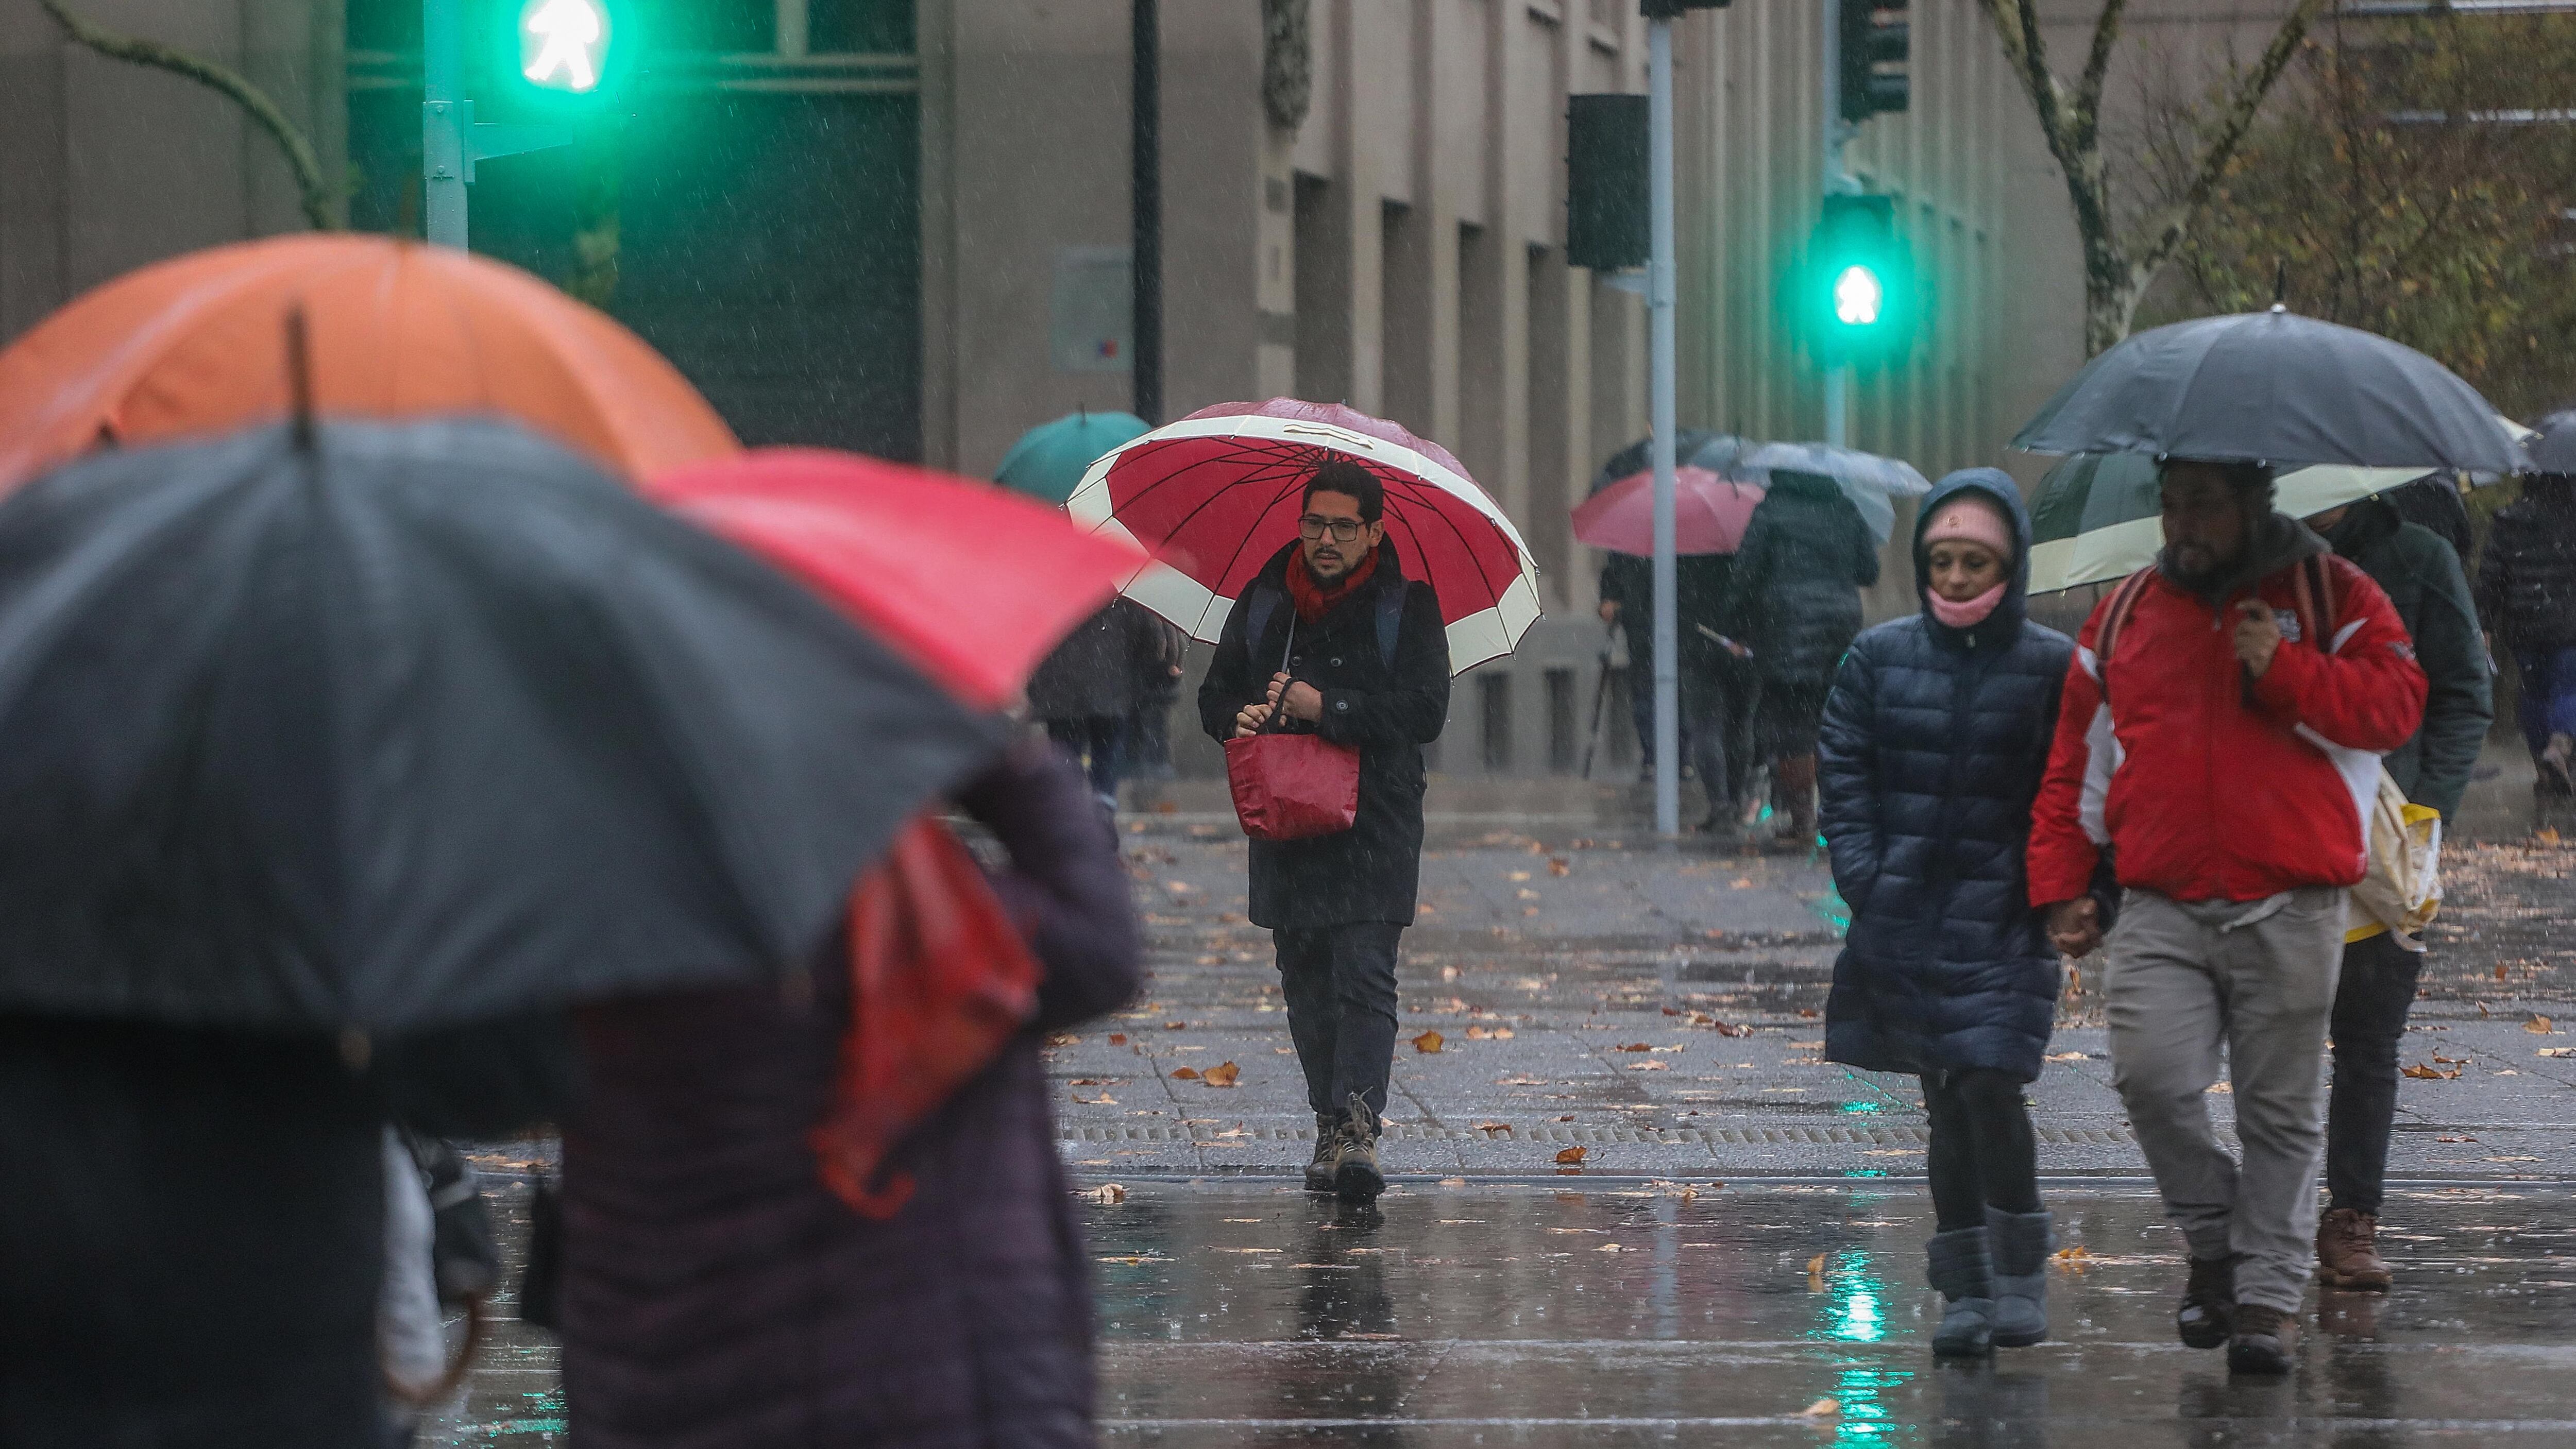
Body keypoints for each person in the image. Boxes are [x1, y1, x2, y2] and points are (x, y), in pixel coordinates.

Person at [557, 739, 1141, 1448]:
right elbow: (1096, 947)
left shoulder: (580, 911)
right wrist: (990, 749)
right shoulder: (887, 898)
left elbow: (480, 1080)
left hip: (666, 1385)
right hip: (917, 1384)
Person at [2029, 458, 2426, 1376]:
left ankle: (2266, 1303)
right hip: (2161, 899)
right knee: (2151, 1079)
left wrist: (2285, 669)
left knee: (2278, 1114)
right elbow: (2076, 757)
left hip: (2294, 898)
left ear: (2254, 501)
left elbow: (2396, 707)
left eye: (2202, 505)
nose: (2182, 524)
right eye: (2170, 505)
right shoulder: (2126, 613)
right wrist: (2063, 882)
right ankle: (2218, 1241)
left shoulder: (2336, 594)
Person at [1818, 471, 2079, 1358]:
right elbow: (1845, 770)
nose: (1958, 576)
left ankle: (2019, 1270)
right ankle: (1965, 1288)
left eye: (1976, 560)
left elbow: (2082, 784)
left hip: (2009, 919)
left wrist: (2071, 890)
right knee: (1945, 1098)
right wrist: (1866, 876)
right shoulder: (1879, 657)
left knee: (1988, 1083)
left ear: (2009, 564)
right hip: (1907, 918)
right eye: (1943, 560)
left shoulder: (2051, 666)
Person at [1199, 459, 1450, 1205]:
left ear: (1374, 531)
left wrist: (1327, 707)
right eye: (1315, 523)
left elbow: (1425, 711)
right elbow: (1214, 696)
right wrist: (1240, 716)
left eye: (1343, 526)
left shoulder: (1406, 607)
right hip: (1288, 820)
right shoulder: (1264, 601)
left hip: (1376, 820)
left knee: (1364, 969)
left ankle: (1358, 1128)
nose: (1327, 539)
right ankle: (1328, 1121)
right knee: (1305, 974)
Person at [2306, 493, 2492, 1291]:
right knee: (2266, 1039)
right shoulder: (2251, 564)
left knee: (2368, 1036)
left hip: (2384, 842)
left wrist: (2428, 808)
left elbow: (2464, 690)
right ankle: (2261, 1219)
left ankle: (2353, 1217)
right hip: (2273, 837)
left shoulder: (2417, 558)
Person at [1722, 469, 1881, 851]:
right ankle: (1836, 817)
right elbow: (1869, 572)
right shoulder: (1846, 509)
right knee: (1833, 720)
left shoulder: (1771, 510)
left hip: (1786, 624)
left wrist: (1736, 625)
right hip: (1840, 623)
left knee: (1792, 726)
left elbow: (1746, 573)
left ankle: (1804, 821)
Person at [1599, 549, 1752, 827]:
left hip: (1697, 638)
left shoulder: (1676, 548)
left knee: (1710, 724)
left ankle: (1719, 800)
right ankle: (1727, 799)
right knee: (1729, 726)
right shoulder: (1733, 546)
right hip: (1716, 638)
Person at [2473, 470, 2576, 828]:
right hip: (2570, 622)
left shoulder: (2510, 520)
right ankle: (2559, 745)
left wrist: (2484, 622)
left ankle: (2543, 769)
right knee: (2567, 686)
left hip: (2523, 622)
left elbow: (2491, 575)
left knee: (2534, 692)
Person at [1027, 596, 1175, 814]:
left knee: (1067, 756)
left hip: (1061, 691)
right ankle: (1103, 807)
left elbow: (1031, 634)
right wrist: (1150, 672)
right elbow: (1150, 638)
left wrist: (1036, 686)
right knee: (1107, 752)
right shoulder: (1122, 590)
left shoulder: (1051, 589)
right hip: (1111, 688)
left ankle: (1068, 809)